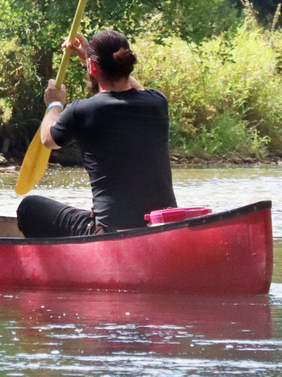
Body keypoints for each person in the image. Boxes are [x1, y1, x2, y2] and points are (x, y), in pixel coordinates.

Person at [15, 29, 177, 238]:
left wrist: (54, 104)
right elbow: (134, 88)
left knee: (30, 207)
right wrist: (89, 60)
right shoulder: (157, 102)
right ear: (127, 63)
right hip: (162, 225)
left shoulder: (83, 110)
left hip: (109, 232)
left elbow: (48, 139)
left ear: (94, 67)